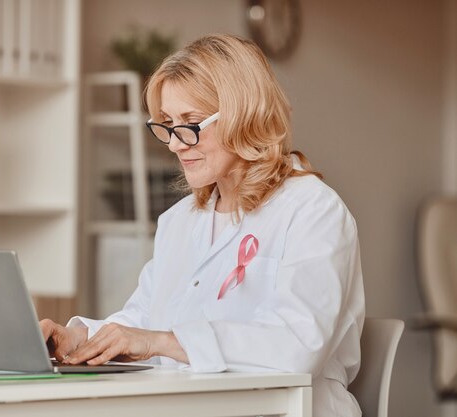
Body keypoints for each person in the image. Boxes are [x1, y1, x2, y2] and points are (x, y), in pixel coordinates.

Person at [41, 33, 365, 417]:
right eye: (167, 124)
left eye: (191, 123)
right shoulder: (180, 221)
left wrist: (163, 342)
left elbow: (296, 346)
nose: (176, 144)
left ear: (245, 115)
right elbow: (144, 319)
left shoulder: (313, 210)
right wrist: (80, 338)